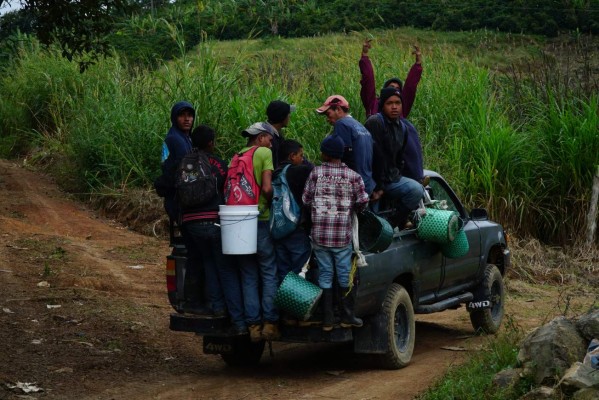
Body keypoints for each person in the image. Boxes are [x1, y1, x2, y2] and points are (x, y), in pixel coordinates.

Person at [179, 125, 246, 334]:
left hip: (190, 223)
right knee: (225, 268)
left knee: (208, 262)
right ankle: (236, 319)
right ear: (211, 143)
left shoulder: (185, 161)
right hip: (213, 221)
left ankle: (215, 306)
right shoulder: (219, 164)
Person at [302, 135, 369, 332]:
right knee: (343, 275)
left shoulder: (316, 173)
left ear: (324, 154)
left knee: (324, 274)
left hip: (319, 235)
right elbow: (363, 202)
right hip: (342, 237)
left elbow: (306, 200)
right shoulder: (353, 176)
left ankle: (328, 320)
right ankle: (347, 316)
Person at [229, 122, 280, 342]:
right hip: (259, 218)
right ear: (260, 138)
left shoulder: (236, 156)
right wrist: (272, 202)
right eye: (270, 138)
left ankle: (253, 327)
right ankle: (269, 323)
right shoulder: (263, 152)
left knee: (248, 274)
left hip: (237, 222)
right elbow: (267, 188)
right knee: (268, 270)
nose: (271, 143)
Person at [365, 87, 424, 227]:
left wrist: (394, 177)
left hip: (391, 179)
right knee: (371, 219)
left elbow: (399, 158)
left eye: (398, 103)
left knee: (416, 190)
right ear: (382, 105)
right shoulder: (375, 122)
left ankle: (392, 223)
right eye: (389, 103)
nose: (394, 107)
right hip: (372, 180)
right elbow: (370, 157)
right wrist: (377, 187)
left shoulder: (402, 127)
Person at [315, 95, 376, 196]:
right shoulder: (360, 126)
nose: (327, 119)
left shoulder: (341, 124)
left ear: (338, 109)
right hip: (367, 184)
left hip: (353, 187)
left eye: (328, 114)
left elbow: (343, 157)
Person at [273, 139, 313, 284]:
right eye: (301, 155)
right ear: (291, 156)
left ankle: (283, 305)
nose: (302, 159)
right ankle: (297, 304)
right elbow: (313, 170)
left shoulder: (274, 172)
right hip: (295, 230)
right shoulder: (298, 171)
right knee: (300, 272)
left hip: (278, 227)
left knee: (282, 272)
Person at [359, 39, 422, 119]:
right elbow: (368, 81)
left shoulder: (402, 107)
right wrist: (364, 55)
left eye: (397, 89)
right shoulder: (373, 105)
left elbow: (410, 87)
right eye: (391, 87)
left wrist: (418, 64)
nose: (394, 91)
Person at [160, 101, 195, 222]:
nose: (187, 119)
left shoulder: (186, 137)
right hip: (177, 196)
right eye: (182, 115)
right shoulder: (174, 139)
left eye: (190, 115)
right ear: (175, 118)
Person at [265, 100, 295, 167]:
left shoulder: (271, 133)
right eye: (288, 114)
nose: (289, 117)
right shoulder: (269, 138)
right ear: (282, 117)